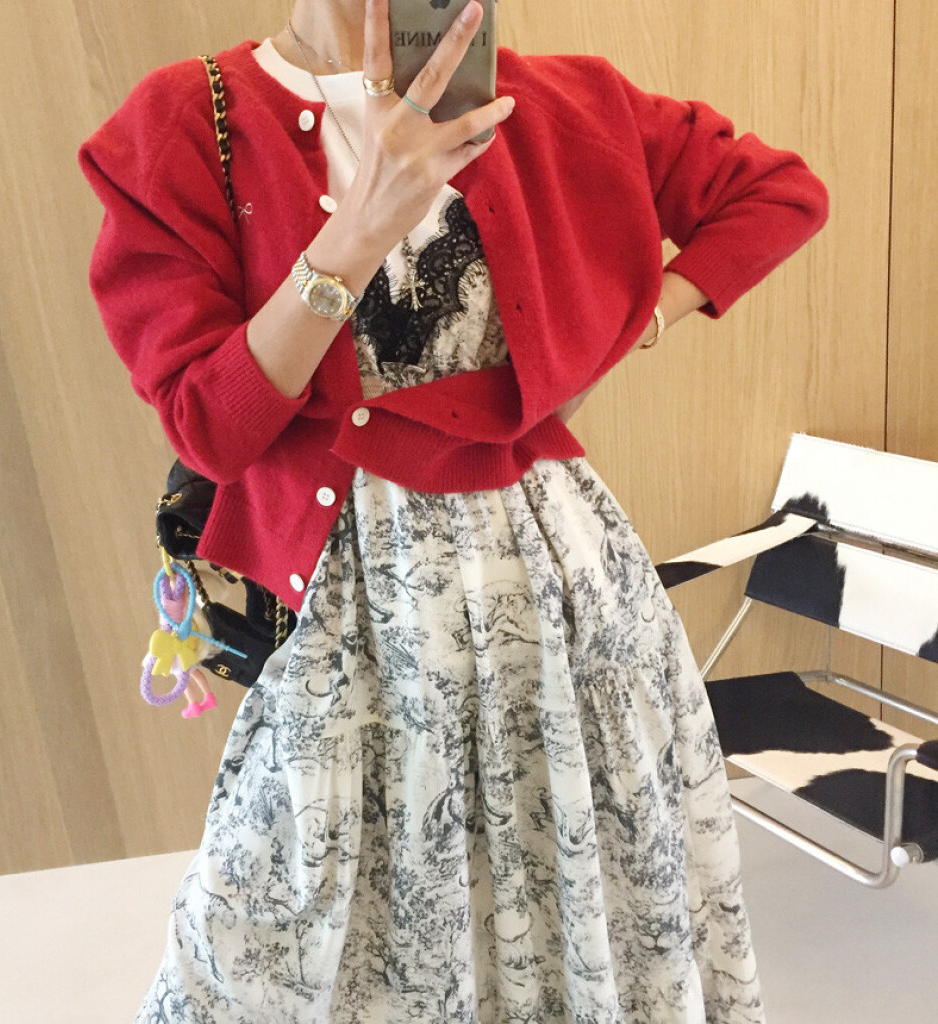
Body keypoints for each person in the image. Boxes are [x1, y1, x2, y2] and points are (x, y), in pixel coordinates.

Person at [79, 0, 828, 1019]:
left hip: (567, 604)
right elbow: (211, 426)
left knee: (581, 888)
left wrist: (636, 320)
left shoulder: (559, 101)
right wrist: (358, 230)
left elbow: (776, 191)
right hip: (354, 623)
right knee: (303, 915)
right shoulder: (183, 123)